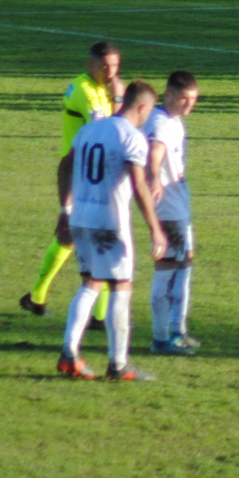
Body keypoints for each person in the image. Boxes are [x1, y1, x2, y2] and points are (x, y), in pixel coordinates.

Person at [59, 80, 166, 381]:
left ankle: (69, 354)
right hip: (109, 222)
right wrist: (156, 229)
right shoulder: (132, 138)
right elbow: (139, 185)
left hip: (80, 217)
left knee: (90, 284)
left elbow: (64, 166)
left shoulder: (90, 129)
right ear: (143, 107)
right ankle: (118, 364)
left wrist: (63, 210)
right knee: (121, 286)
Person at [21, 42, 124, 321]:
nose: (111, 71)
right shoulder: (84, 92)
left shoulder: (100, 88)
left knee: (80, 238)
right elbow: (110, 131)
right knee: (88, 238)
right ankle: (95, 316)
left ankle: (38, 297)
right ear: (90, 65)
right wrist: (119, 100)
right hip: (81, 173)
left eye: (115, 65)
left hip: (95, 174)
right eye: (105, 66)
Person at [143, 71, 201, 356]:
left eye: (193, 99)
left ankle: (178, 331)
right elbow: (154, 153)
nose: (189, 105)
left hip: (179, 205)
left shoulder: (172, 120)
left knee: (184, 265)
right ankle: (160, 338)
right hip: (168, 209)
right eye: (184, 99)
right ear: (168, 95)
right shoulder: (161, 123)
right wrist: (153, 178)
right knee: (166, 271)